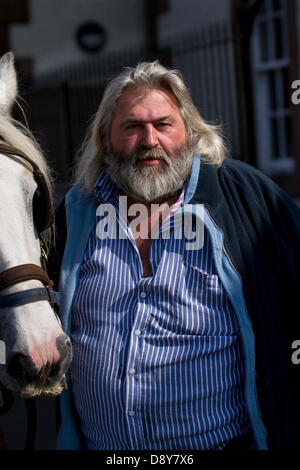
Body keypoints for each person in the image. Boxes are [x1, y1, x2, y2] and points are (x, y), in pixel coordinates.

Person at [54, 60, 300, 450]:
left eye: (163, 125)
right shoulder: (75, 214)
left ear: (190, 131)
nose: (149, 140)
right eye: (132, 127)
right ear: (106, 137)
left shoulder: (247, 199)